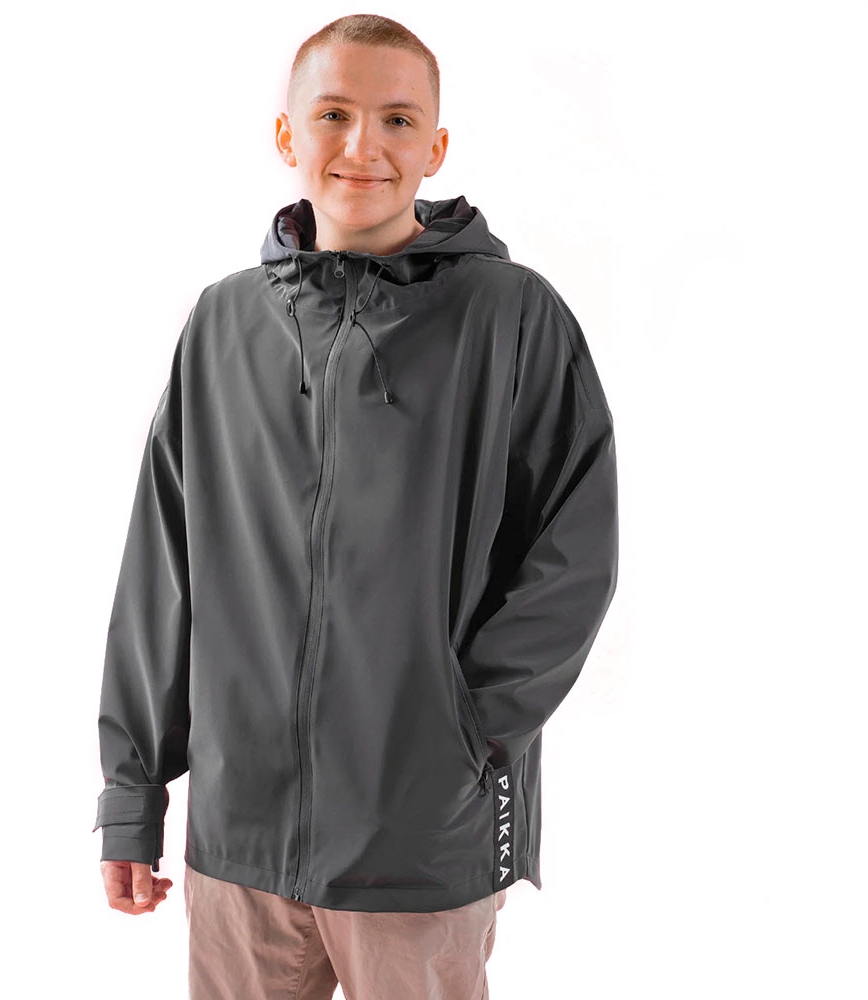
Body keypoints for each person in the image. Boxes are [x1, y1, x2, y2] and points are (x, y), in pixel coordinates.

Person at [94, 13, 619, 999]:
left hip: (418, 835)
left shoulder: (511, 315)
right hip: (239, 842)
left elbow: (573, 553)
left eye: (397, 119)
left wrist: (463, 732)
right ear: (287, 134)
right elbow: (162, 566)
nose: (362, 145)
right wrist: (133, 793)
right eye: (333, 114)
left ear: (435, 147)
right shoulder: (222, 322)